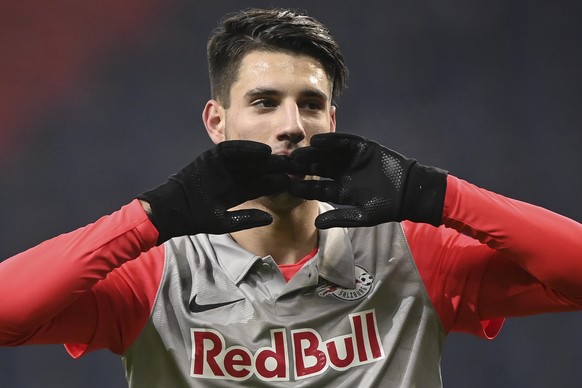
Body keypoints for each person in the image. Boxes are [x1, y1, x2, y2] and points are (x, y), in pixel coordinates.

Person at [1, 7, 582, 387]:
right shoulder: (154, 270)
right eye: (263, 102)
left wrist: (439, 195)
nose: (291, 126)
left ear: (332, 119)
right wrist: (152, 217)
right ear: (216, 121)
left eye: (309, 104)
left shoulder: (413, 254)